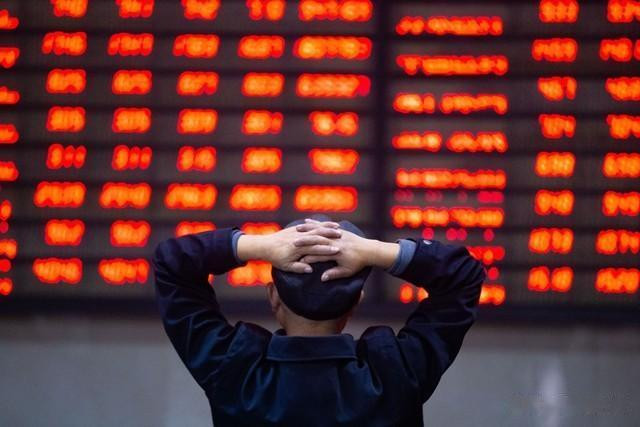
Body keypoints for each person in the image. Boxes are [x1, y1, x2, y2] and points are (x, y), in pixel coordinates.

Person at [152, 215, 486, 426]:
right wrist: (374, 250)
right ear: (356, 301)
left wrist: (257, 245)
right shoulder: (397, 374)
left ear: (273, 296)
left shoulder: (234, 373)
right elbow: (464, 276)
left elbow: (171, 262)